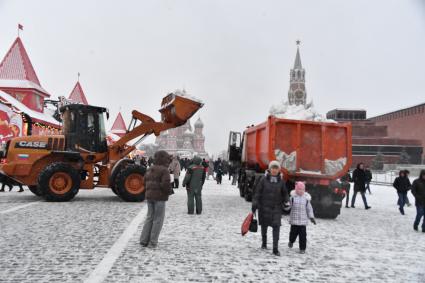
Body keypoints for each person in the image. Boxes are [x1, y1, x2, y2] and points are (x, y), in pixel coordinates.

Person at [252, 161, 289, 256]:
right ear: (269, 169)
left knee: (276, 227)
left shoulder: (281, 181)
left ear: (279, 170)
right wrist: (255, 203)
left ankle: (275, 248)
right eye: (273, 168)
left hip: (276, 208)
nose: (274, 170)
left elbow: (285, 193)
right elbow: (258, 192)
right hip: (263, 207)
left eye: (276, 168)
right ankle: (264, 242)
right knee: (264, 226)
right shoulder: (263, 180)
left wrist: (287, 201)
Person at [140, 150, 173, 248]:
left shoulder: (150, 169)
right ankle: (153, 242)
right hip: (160, 197)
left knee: (149, 218)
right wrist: (168, 192)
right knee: (158, 219)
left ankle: (144, 240)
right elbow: (166, 184)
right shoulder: (164, 170)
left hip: (149, 196)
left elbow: (143, 181)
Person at [288, 181, 316, 254]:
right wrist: (285, 206)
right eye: (299, 189)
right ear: (296, 189)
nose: (300, 191)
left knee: (303, 236)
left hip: (303, 222)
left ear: (304, 190)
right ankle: (291, 241)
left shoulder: (306, 199)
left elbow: (309, 209)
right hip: (294, 221)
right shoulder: (292, 198)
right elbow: (288, 206)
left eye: (302, 189)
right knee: (292, 235)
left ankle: (302, 248)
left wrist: (311, 217)